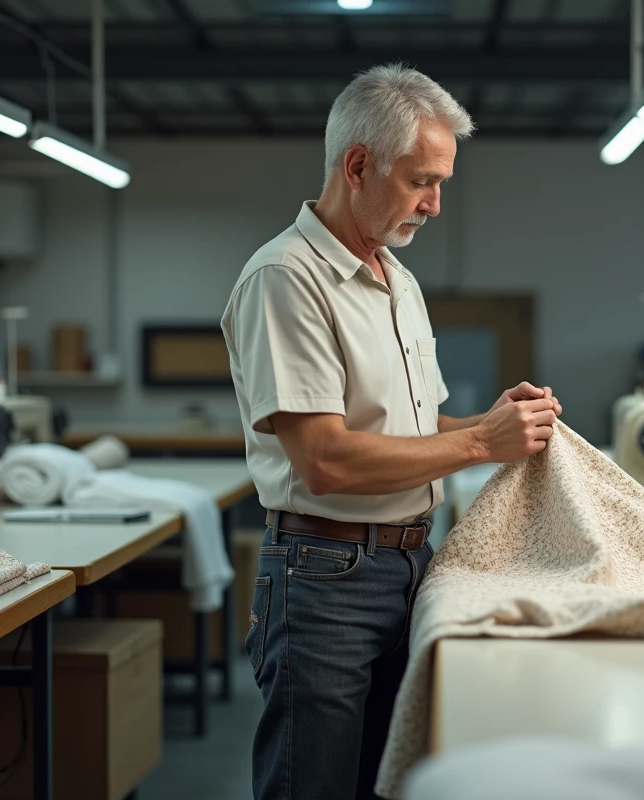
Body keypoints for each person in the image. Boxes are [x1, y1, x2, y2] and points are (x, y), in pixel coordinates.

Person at [220, 63, 563, 800]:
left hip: (408, 567)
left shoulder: (395, 280)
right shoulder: (286, 278)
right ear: (356, 166)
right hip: (324, 578)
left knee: (385, 783)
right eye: (420, 181)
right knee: (313, 788)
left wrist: (500, 423)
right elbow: (327, 461)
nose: (435, 205)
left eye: (441, 182)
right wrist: (478, 444)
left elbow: (417, 427)